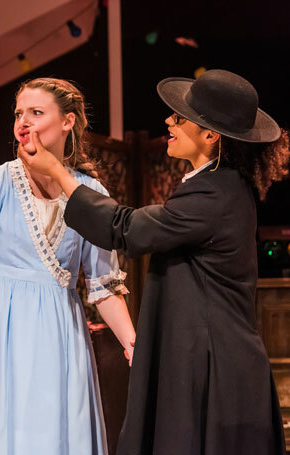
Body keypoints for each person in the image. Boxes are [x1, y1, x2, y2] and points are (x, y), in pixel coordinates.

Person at [19, 69, 289, 454]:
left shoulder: (215, 193)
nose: (169, 121)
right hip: (211, 357)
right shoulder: (217, 183)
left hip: (214, 368)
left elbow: (127, 228)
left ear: (210, 135)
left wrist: (59, 174)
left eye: (180, 118)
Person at [0, 77, 136, 454]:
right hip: (0, 338)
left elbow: (104, 286)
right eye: (19, 113)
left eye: (36, 113)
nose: (23, 123)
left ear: (67, 121)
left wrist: (134, 342)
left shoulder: (90, 194)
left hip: (61, 337)